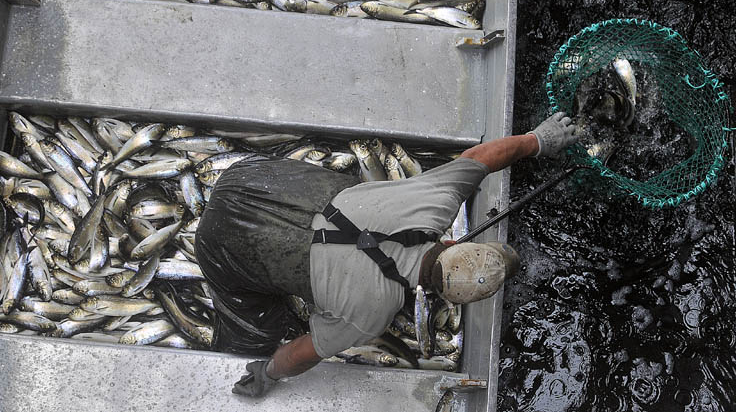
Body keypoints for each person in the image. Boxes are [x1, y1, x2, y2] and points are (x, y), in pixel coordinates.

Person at [193, 112, 578, 397]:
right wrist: (268, 372)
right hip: (220, 244)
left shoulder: (436, 203)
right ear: (441, 296)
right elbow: (300, 354)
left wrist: (538, 139)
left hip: (251, 179)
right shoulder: (371, 313)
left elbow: (482, 157)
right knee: (260, 330)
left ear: (452, 244)